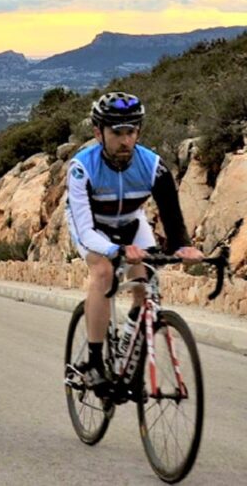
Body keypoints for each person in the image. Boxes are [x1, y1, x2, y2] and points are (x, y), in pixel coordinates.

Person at [65, 91, 203, 392]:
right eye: (117, 132)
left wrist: (184, 247)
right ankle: (95, 362)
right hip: (94, 228)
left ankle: (130, 351)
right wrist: (115, 251)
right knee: (102, 273)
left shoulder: (153, 165)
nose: (125, 140)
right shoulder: (81, 168)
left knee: (145, 287)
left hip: (131, 222)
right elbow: (86, 232)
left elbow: (172, 217)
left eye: (132, 131)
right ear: (98, 132)